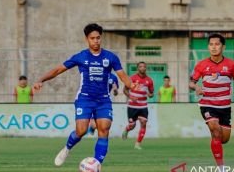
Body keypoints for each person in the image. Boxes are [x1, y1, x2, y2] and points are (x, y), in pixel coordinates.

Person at [33, 23, 134, 167]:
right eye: (93, 38)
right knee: (81, 131)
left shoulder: (110, 57)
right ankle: (67, 148)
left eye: (98, 38)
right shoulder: (80, 57)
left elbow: (122, 75)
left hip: (103, 100)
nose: (96, 41)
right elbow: (57, 70)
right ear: (87, 39)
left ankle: (96, 164)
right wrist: (41, 80)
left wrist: (131, 85)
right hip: (85, 98)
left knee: (104, 129)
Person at [189, 33, 234, 171]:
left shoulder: (231, 64)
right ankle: (221, 168)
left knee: (223, 139)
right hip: (207, 104)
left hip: (225, 107)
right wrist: (196, 87)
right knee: (215, 131)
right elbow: (191, 82)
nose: (214, 47)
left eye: (217, 44)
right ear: (208, 47)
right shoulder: (201, 65)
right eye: (211, 44)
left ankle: (216, 141)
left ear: (223, 46)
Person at [122, 62, 154, 150]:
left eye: (144, 66)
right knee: (132, 125)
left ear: (146, 68)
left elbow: (151, 94)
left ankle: (137, 144)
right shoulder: (132, 78)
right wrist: (131, 96)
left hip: (143, 106)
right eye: (140, 66)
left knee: (143, 123)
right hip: (132, 106)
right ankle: (127, 129)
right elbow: (124, 90)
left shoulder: (149, 80)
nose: (142, 68)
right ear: (138, 68)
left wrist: (150, 95)